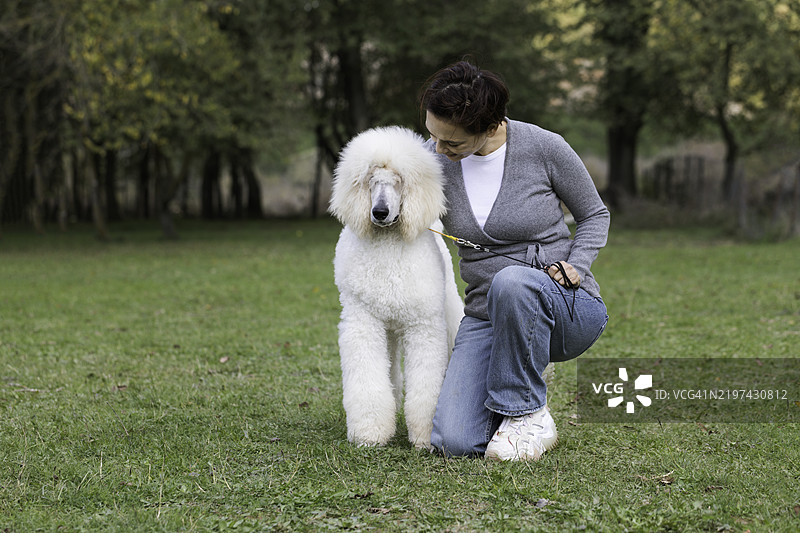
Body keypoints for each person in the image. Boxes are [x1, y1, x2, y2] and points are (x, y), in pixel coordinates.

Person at [420, 61, 610, 461]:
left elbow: (595, 214)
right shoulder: (433, 160)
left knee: (513, 280)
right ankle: (516, 378)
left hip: (564, 306)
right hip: (485, 313)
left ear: (490, 127)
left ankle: (528, 414)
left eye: (450, 143)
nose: (438, 149)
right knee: (455, 442)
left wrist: (579, 262)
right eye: (431, 135)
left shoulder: (544, 147)